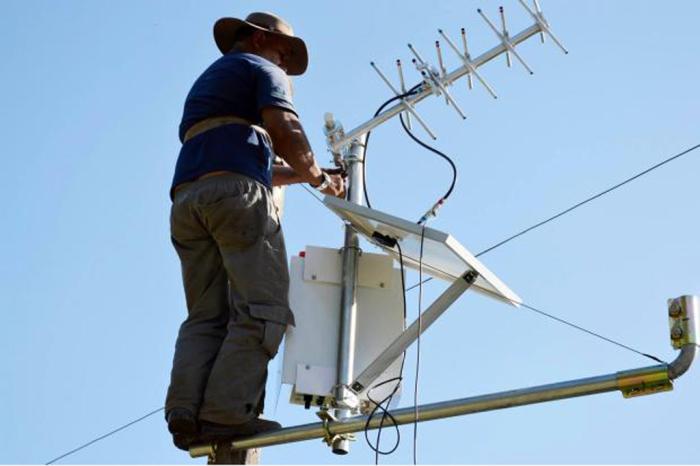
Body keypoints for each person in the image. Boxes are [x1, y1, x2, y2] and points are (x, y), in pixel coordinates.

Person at [165, 11, 345, 450]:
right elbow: (283, 129)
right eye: (282, 50)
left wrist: (309, 173)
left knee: (207, 314)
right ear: (256, 40)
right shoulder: (263, 70)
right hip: (237, 199)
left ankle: (184, 413)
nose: (284, 60)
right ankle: (227, 415)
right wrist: (320, 179)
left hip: (190, 202)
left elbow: (252, 159)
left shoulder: (213, 82)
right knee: (263, 309)